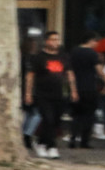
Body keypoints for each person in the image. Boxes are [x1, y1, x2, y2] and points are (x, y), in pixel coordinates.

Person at [25, 30, 77, 159]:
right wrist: (28, 93)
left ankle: (42, 143)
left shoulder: (64, 56)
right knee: (47, 119)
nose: (55, 42)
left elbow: (70, 74)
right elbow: (30, 76)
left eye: (57, 40)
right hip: (43, 95)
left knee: (55, 121)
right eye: (53, 39)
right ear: (46, 41)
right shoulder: (39, 57)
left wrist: (73, 90)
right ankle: (52, 146)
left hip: (59, 94)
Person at [68, 31, 105, 149]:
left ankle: (73, 139)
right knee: (89, 115)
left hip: (76, 87)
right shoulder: (92, 54)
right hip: (89, 87)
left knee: (77, 115)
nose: (97, 44)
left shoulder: (73, 51)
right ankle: (84, 141)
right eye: (96, 41)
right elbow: (99, 71)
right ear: (91, 40)